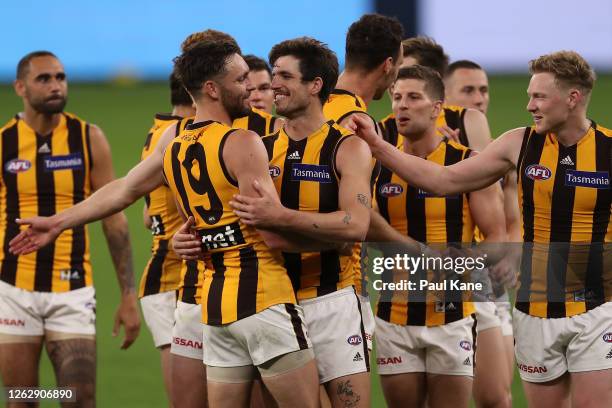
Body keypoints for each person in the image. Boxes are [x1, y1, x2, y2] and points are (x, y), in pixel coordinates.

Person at [10, 34, 320, 408]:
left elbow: (125, 189)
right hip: (259, 295)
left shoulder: (175, 144)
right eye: (242, 81)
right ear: (212, 89)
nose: (255, 90)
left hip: (215, 301)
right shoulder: (242, 140)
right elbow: (272, 230)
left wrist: (60, 220)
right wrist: (339, 234)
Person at [349, 50, 612, 408]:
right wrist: (378, 146)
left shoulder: (608, 150)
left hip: (597, 310)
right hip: (535, 308)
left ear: (572, 98)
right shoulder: (519, 143)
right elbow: (443, 180)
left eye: (539, 97)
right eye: (529, 96)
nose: (529, 106)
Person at [225, 37, 373, 407]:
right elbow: (237, 217)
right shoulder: (259, 147)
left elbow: (355, 226)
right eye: (274, 74)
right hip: (272, 306)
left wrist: (282, 218)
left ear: (316, 84)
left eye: (284, 76)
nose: (273, 84)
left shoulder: (348, 147)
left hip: (333, 304)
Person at [0, 51, 140, 407]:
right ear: (20, 87)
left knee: (79, 399)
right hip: (13, 292)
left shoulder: (88, 138)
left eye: (60, 78)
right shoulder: (3, 143)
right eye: (43, 79)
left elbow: (114, 217)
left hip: (72, 289)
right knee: (23, 399)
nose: (55, 86)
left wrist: (128, 296)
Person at [371, 65, 506, 408]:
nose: (401, 106)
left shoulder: (467, 163)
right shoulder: (377, 166)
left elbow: (496, 237)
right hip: (394, 313)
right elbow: (366, 225)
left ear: (436, 108)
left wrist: (460, 262)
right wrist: (421, 254)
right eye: (397, 97)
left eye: (413, 97)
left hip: (452, 314)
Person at [322, 13, 404, 352]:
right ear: (388, 65)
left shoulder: (316, 105)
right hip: (339, 283)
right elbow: (358, 213)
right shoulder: (359, 123)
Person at [445, 59, 519, 399]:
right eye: (468, 90)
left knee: (497, 392)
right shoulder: (433, 150)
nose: (479, 98)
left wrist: (513, 251)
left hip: (492, 283)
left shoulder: (499, 151)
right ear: (443, 96)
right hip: (451, 280)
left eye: (484, 90)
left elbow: (513, 213)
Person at [139, 70, 195, 404]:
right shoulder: (179, 139)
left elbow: (148, 216)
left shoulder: (158, 131)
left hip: (165, 267)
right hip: (172, 275)